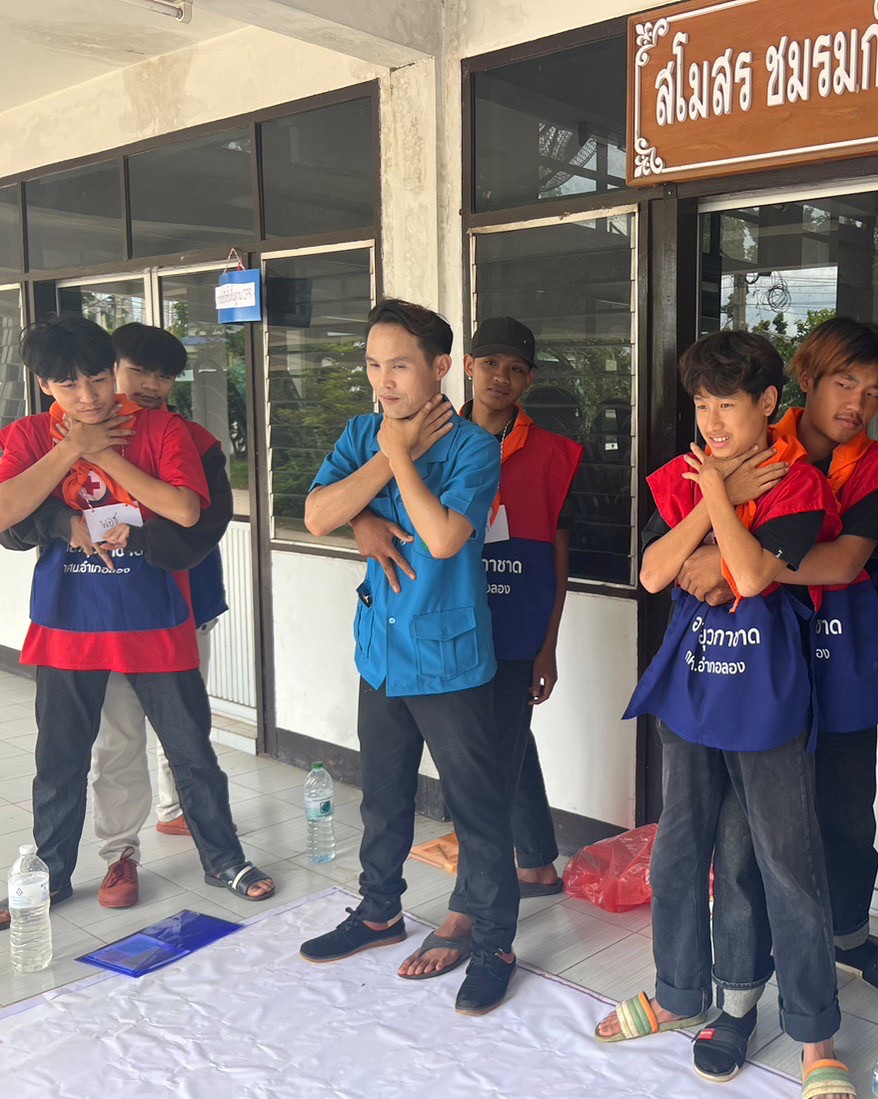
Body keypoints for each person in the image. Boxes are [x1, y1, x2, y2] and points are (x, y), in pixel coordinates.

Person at [595, 330, 856, 1099]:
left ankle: (814, 1033)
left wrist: (717, 495)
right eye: (702, 406)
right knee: (680, 847)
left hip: (766, 695)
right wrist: (717, 492)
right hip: (692, 689)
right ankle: (681, 992)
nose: (711, 423)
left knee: (782, 862)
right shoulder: (685, 476)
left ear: (768, 403)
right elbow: (653, 573)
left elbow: (744, 571)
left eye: (727, 406)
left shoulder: (798, 484)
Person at [672, 319, 878, 1082]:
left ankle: (848, 936)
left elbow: (842, 562)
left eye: (874, 393)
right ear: (805, 380)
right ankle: (740, 995)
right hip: (754, 673)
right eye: (845, 383)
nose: (858, 404)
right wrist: (720, 547)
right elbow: (673, 546)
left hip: (839, 662)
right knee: (747, 841)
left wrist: (735, 564)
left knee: (846, 817)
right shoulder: (748, 446)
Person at [0, 316, 271, 929]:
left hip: (156, 620)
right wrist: (72, 449)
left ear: (111, 371)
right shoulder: (30, 435)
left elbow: (185, 509)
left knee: (191, 752)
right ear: (44, 386)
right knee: (60, 760)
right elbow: (6, 512)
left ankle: (224, 860)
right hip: (68, 623)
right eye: (69, 386)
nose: (88, 397)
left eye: (98, 379)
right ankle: (51, 875)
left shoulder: (163, 429)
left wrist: (103, 453)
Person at [295, 299, 523, 1017]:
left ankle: (494, 944)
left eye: (399, 364)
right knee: (383, 795)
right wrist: (365, 505)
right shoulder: (360, 432)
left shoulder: (474, 447)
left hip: (448, 657)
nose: (383, 379)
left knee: (477, 809)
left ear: (440, 367)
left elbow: (446, 537)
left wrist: (397, 458)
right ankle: (378, 912)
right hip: (382, 651)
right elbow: (317, 513)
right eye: (373, 364)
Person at [364, 315, 582, 981]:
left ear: (529, 379)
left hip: (511, 629)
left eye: (515, 368)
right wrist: (361, 520)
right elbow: (362, 492)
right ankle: (534, 861)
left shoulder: (555, 454)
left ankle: (469, 910)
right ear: (464, 368)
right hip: (440, 628)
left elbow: (558, 555)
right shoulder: (425, 432)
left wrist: (548, 645)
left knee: (497, 759)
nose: (500, 377)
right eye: (490, 363)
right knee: (488, 763)